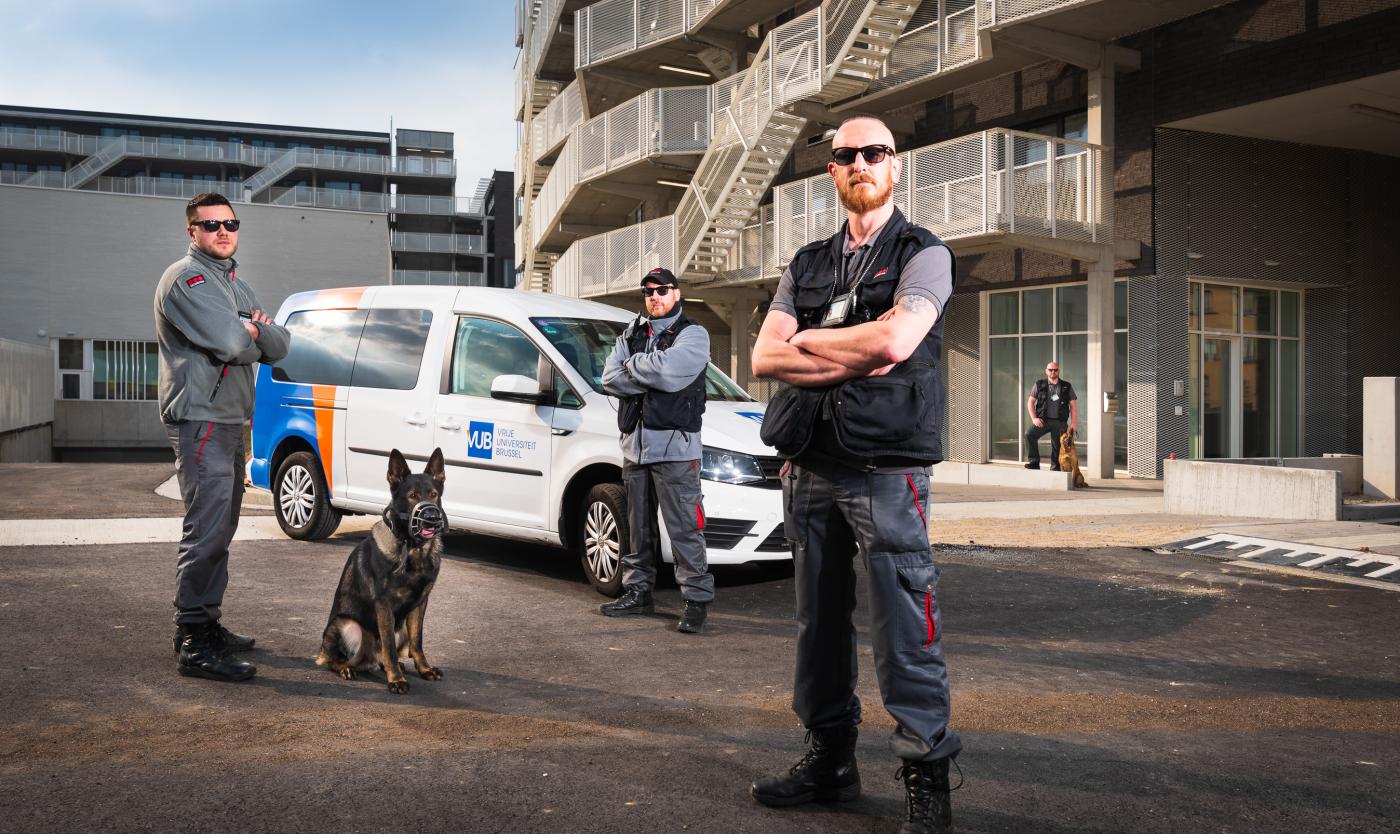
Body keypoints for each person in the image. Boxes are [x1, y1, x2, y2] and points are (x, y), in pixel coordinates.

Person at [749, 116, 960, 834]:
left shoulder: (924, 255)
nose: (860, 162)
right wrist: (851, 348)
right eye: (846, 155)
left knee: (905, 624)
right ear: (832, 173)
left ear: (894, 167)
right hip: (810, 468)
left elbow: (900, 339)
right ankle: (830, 760)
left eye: (875, 152)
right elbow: (763, 358)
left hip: (886, 469)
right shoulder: (805, 263)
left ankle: (927, 775)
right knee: (818, 624)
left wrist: (810, 339)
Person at [155, 193, 289, 682]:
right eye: (210, 225)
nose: (222, 231)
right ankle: (193, 638)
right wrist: (249, 330)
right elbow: (235, 344)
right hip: (201, 417)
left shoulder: (236, 284)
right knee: (206, 528)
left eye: (230, 223)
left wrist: (248, 329)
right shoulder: (185, 280)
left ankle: (207, 620)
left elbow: (280, 345)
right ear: (192, 232)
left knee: (223, 528)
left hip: (231, 419)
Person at [598, 267, 714, 634]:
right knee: (637, 528)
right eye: (648, 291)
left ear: (676, 293)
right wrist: (644, 371)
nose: (655, 297)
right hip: (636, 448)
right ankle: (638, 592)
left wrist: (633, 367)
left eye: (662, 290)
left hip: (676, 451)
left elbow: (671, 371)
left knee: (685, 531)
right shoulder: (632, 333)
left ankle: (695, 601)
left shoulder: (693, 334)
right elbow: (608, 379)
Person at [1024, 362, 1078, 470]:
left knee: (1057, 445)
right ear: (1046, 371)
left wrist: (1073, 423)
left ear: (1059, 371)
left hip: (1060, 422)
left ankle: (1055, 467)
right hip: (1043, 420)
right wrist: (1034, 418)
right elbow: (1030, 402)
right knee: (1029, 434)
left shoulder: (1066, 386)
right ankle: (1034, 462)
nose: (1053, 372)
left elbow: (1073, 406)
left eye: (1055, 370)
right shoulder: (1039, 384)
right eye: (1050, 370)